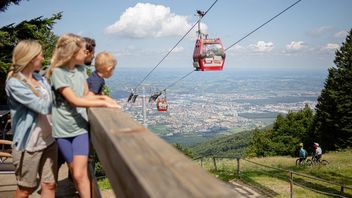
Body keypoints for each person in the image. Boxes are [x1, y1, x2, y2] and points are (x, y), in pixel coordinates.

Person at [46, 33, 120, 198]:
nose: (87, 53)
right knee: (75, 171)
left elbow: (86, 96)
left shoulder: (80, 70)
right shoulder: (58, 73)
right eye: (82, 50)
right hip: (63, 130)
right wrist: (103, 103)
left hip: (79, 128)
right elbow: (74, 101)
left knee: (80, 174)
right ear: (73, 53)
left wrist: (104, 97)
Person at [5, 40, 58, 198]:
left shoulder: (39, 79)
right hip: (29, 144)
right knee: (25, 189)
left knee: (49, 184)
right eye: (40, 54)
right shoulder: (14, 83)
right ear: (30, 57)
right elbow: (42, 106)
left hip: (49, 140)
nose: (43, 58)